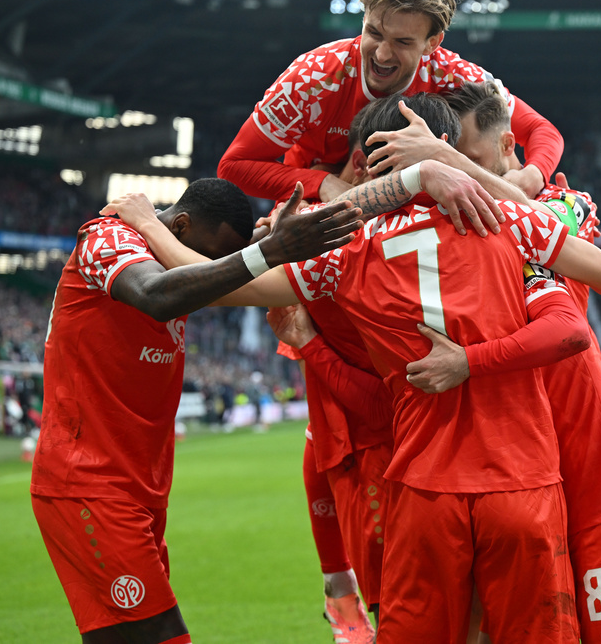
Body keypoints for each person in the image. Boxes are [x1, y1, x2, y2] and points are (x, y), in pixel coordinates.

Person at [107, 92, 601, 644]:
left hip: (423, 485)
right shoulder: (507, 217)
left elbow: (225, 285)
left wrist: (150, 224)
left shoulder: (345, 246)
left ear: (364, 158)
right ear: (446, 145)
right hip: (522, 478)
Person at [30, 178, 363, 644]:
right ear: (180, 226)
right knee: (162, 635)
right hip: (88, 481)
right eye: (204, 253)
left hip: (139, 486)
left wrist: (272, 242)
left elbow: (216, 270)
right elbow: (154, 294)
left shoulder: (174, 246)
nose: (205, 270)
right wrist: (266, 253)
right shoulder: (108, 238)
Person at [407, 81, 601, 644]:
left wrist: (440, 162)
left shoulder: (562, 206)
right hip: (520, 489)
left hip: (595, 486)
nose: (456, 179)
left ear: (509, 145)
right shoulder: (459, 235)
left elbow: (593, 276)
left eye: (468, 160)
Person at [217, 0, 563, 204]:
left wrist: (532, 176)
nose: (382, 54)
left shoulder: (452, 74)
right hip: (322, 205)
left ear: (433, 43)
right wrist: (321, 183)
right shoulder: (310, 80)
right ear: (363, 19)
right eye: (374, 33)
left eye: (403, 42)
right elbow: (233, 167)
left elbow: (541, 131)